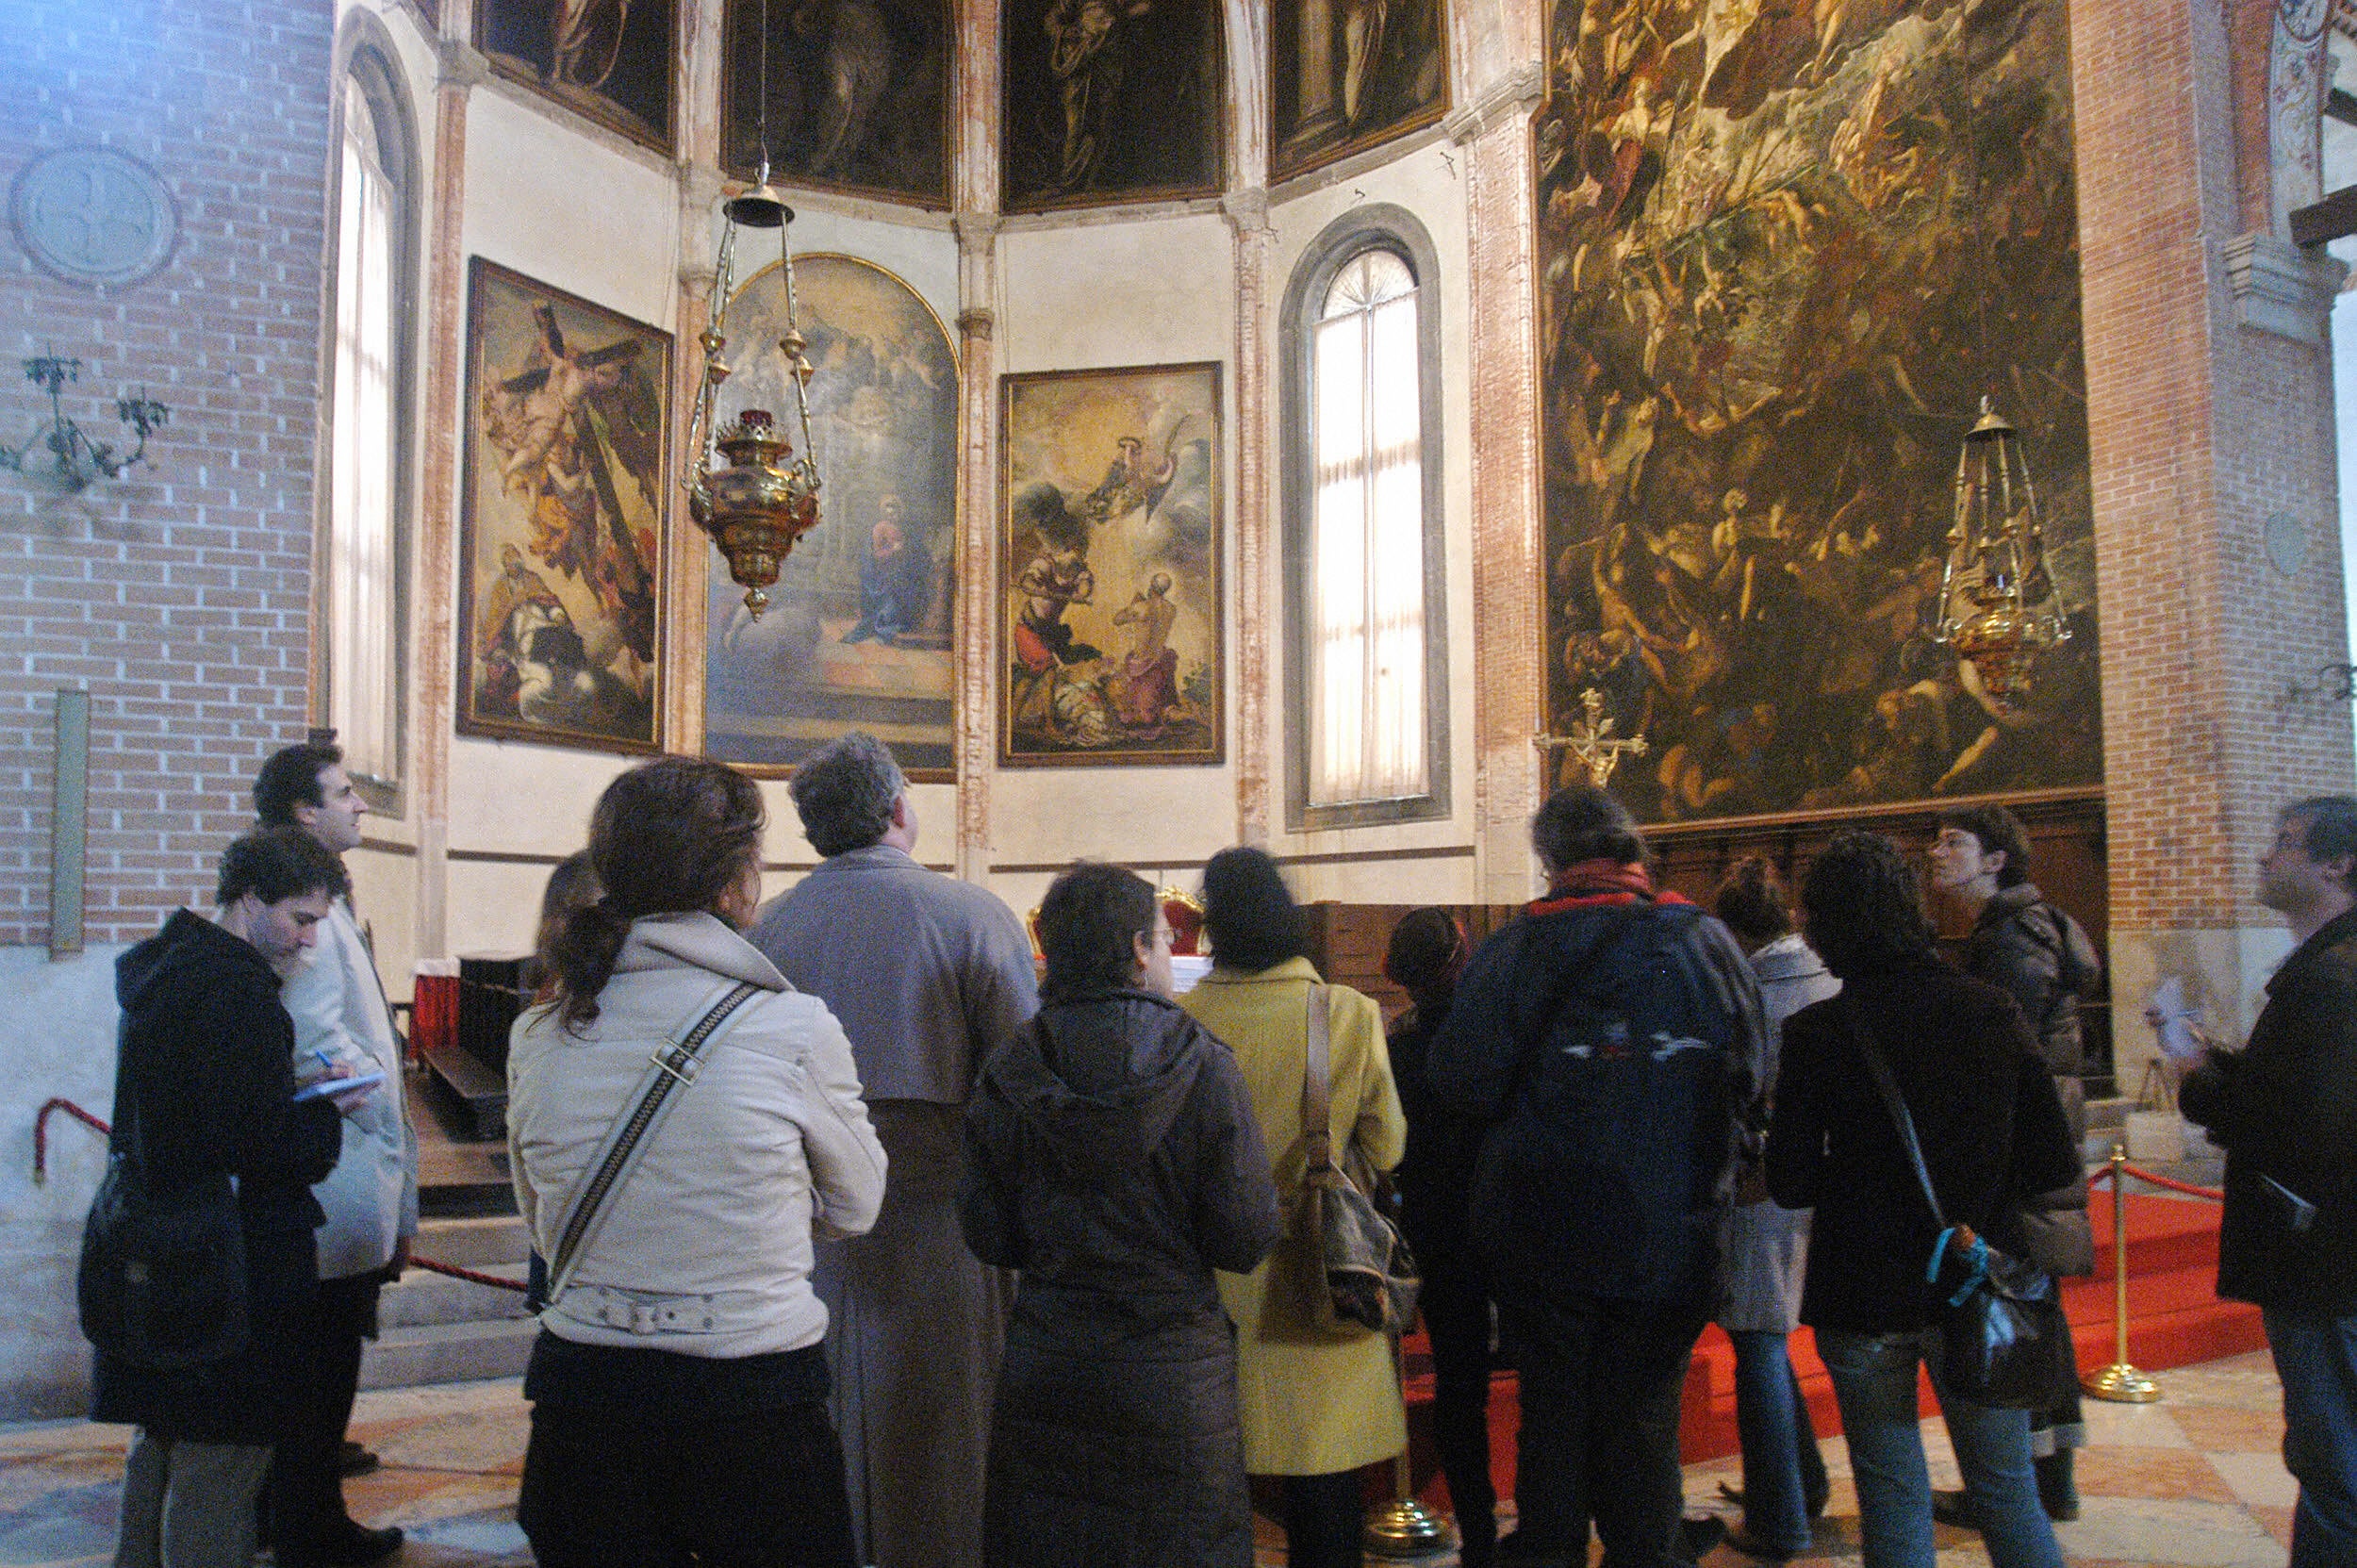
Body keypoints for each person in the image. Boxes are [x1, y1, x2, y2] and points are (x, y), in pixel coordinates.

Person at [506, 757, 887, 1566]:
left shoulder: (539, 1033)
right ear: (736, 882)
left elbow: (542, 1219)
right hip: (750, 1401)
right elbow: (857, 1206)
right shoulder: (794, 1027)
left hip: (585, 1398)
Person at [1425, 785, 1765, 1568]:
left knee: (1552, 1413)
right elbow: (1753, 1073)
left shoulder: (1514, 950)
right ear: (1633, 850)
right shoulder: (1705, 942)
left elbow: (1460, 1081)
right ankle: (1645, 1550)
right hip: (1670, 1229)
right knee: (1645, 1415)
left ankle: (1551, 1551)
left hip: (1543, 1231)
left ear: (1549, 859)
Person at [746, 733, 1040, 1568]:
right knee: (949, 1437)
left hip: (806, 1231)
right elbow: (1023, 1082)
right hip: (946, 1224)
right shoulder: (971, 914)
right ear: (900, 809)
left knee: (829, 1425)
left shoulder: (770, 929)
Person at [1765, 829, 2077, 1568]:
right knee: (2006, 1492)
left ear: (1826, 923)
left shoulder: (1818, 1032)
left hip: (1865, 1288)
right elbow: (2051, 1160)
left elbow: (1792, 1182)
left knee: (1890, 1490)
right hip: (1975, 1280)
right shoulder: (1991, 1009)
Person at [959, 863, 1284, 1567]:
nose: (1170, 956)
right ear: (1139, 950)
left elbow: (987, 1232)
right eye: (1166, 941)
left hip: (1051, 1359)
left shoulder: (1011, 1065)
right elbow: (1246, 1236)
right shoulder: (1203, 1065)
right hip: (1174, 1370)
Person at [94, 827, 377, 1568]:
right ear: (250, 899)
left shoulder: (167, 972)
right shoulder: (238, 993)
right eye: (301, 917)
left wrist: (289, 1091)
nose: (308, 941)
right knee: (224, 1459)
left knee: (161, 1437)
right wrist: (326, 1110)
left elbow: (197, 1114)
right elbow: (261, 1148)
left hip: (163, 1245)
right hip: (230, 1262)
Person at [1178, 846, 1408, 1568]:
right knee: (1327, 1477)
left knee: (1216, 1480)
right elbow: (1390, 1145)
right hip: (1320, 1267)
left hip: (1211, 1274)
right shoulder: (1347, 1012)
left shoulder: (1182, 1018)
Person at [2176, 797, 2357, 1568]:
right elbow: (2297, 1093)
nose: (2265, 857)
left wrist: (2196, 1075)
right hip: (2330, 1253)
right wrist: (2219, 1060)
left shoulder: (2330, 979)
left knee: (2333, 1459)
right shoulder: (2327, 968)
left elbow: (2304, 1130)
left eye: (2284, 844)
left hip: (2323, 1258)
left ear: (2337, 864)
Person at [252, 742, 419, 1568]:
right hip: (335, 1165)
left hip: (347, 1169)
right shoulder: (301, 903)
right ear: (302, 812)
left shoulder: (322, 894)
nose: (361, 806)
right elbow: (314, 1036)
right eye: (345, 794)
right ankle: (309, 1521)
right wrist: (370, 1100)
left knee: (322, 1357)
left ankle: (301, 1485)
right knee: (319, 1360)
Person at [1926, 803, 2102, 1524]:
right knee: (2029, 1308)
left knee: (2016, 1310)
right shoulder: (2010, 930)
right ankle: (2045, 1481)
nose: (1934, 851)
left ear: (1995, 859)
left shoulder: (2012, 938)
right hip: (2032, 1145)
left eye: (1953, 841)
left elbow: (2005, 1054)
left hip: (2020, 1154)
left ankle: (2025, 1489)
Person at [1708, 856, 1837, 1561]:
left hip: (1761, 1185)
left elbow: (1737, 1090)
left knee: (1757, 1338)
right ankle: (1802, 1483)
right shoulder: (1827, 977)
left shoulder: (1750, 994)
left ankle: (1779, 1518)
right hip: (1822, 1179)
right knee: (1772, 1339)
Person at [1381, 907, 1499, 1568]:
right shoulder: (1493, 1035)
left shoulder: (1399, 1047)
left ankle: (1478, 1535)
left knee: (1461, 1386)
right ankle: (1538, 1530)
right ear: (1460, 958)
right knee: (1539, 1379)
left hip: (1437, 1226)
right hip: (1509, 1221)